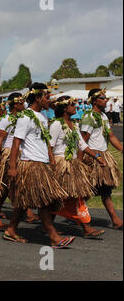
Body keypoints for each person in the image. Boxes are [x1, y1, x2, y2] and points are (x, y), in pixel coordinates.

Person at [5, 83, 75, 248]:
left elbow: (45, 141)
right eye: (46, 96)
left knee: (24, 202)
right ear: (37, 97)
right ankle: (54, 237)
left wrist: (50, 158)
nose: (48, 100)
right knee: (43, 201)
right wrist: (13, 167)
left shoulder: (43, 116)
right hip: (30, 163)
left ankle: (11, 230)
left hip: (42, 163)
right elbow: (16, 143)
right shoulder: (25, 117)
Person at [50, 96, 107, 238]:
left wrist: (97, 157)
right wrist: (50, 166)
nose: (75, 107)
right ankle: (84, 228)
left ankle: (84, 228)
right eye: (71, 105)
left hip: (72, 164)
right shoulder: (56, 125)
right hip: (60, 164)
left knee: (75, 196)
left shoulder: (74, 125)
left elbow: (82, 145)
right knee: (63, 197)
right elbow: (49, 147)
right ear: (64, 108)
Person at [0, 93, 39, 222]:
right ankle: (27, 214)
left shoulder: (24, 118)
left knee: (13, 186)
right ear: (14, 104)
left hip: (22, 152)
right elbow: (0, 140)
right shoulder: (6, 119)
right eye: (21, 103)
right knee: (11, 185)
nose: (23, 105)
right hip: (9, 153)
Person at [80, 89, 123, 230]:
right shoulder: (88, 118)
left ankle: (115, 220)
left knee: (104, 190)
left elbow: (110, 136)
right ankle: (76, 216)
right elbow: (82, 142)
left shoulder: (103, 116)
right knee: (88, 191)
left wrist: (122, 149)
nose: (106, 100)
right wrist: (79, 163)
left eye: (106, 98)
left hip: (103, 156)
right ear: (94, 100)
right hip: (92, 157)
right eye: (102, 98)